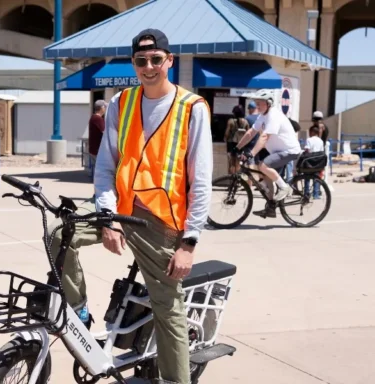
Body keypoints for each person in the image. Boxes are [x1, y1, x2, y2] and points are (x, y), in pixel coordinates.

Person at [50, 28, 212, 384]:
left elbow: (200, 181)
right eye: (141, 61)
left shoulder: (192, 108)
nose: (149, 66)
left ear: (169, 60)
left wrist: (189, 242)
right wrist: (108, 219)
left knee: (168, 309)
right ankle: (78, 312)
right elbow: (106, 167)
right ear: (134, 64)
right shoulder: (121, 103)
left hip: (161, 222)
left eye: (156, 59)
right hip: (120, 210)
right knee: (60, 232)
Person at [234, 89, 302, 219]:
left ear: (269, 103)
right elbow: (250, 133)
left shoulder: (273, 115)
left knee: (263, 165)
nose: (257, 106)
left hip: (289, 150)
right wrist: (237, 148)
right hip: (277, 152)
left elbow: (264, 137)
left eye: (260, 103)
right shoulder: (262, 116)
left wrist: (251, 153)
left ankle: (284, 188)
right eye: (256, 103)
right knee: (266, 176)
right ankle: (271, 207)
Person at [224, 105, 249, 174]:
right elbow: (248, 133)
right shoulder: (245, 122)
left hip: (231, 144)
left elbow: (227, 133)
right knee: (238, 161)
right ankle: (238, 177)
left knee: (231, 161)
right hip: (241, 144)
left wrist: (225, 139)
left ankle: (232, 178)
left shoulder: (231, 121)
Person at [88, 99, 107, 166]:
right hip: (97, 150)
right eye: (105, 107)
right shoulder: (98, 119)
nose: (105, 109)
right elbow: (105, 131)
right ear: (102, 108)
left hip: (94, 150)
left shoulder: (93, 118)